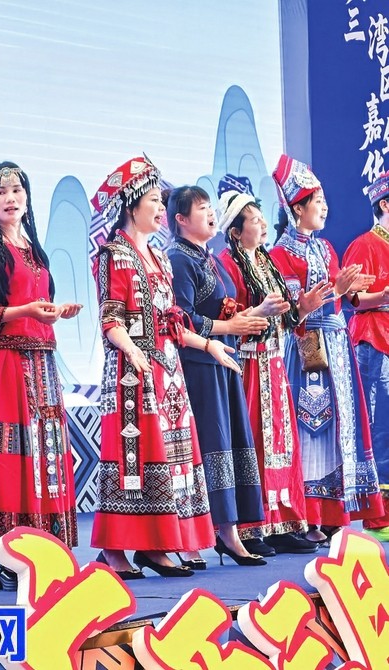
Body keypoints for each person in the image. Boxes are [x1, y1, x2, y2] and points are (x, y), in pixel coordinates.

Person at [90, 156, 239, 579]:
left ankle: (156, 546)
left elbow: (171, 323)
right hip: (132, 373)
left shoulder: (157, 255)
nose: (160, 208)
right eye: (154, 200)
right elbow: (111, 318)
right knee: (132, 460)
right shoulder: (114, 254)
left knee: (170, 457)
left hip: (168, 371)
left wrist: (209, 344)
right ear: (132, 204)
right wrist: (131, 350)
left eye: (161, 200)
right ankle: (114, 550)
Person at [0, 161, 80, 591]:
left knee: (45, 458)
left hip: (42, 364)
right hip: (5, 366)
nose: (10, 198)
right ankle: (5, 558)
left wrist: (54, 311)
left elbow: (35, 305)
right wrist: (25, 312)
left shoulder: (33, 248)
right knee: (10, 459)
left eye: (16, 190)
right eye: (0, 192)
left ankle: (45, 552)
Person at [270, 154, 384, 543]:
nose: (324, 208)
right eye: (317, 202)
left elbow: (343, 298)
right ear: (297, 209)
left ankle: (335, 512)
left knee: (339, 428)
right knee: (312, 427)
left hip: (337, 346)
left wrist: (352, 290)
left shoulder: (325, 249)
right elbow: (292, 308)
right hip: (308, 348)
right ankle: (308, 515)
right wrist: (336, 290)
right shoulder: (280, 255)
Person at [216, 175, 324, 556]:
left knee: (281, 443)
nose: (263, 223)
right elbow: (226, 317)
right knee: (256, 444)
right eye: (254, 219)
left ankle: (283, 521)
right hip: (247, 365)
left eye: (262, 217)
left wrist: (305, 307)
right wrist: (259, 311)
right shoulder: (227, 266)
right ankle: (250, 526)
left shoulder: (264, 260)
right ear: (236, 231)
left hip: (274, 362)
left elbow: (286, 319)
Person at [165, 185, 268, 567]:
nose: (211, 214)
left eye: (210, 207)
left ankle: (229, 532)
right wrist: (228, 328)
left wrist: (254, 316)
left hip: (223, 361)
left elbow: (226, 311)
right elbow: (181, 318)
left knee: (230, 443)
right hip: (197, 365)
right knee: (207, 447)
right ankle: (193, 539)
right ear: (180, 219)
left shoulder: (209, 258)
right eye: (202, 208)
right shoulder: (178, 258)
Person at [340, 171, 389, 540]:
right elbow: (351, 299)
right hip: (374, 339)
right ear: (384, 204)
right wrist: (384, 296)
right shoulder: (364, 245)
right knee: (380, 424)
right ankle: (379, 513)